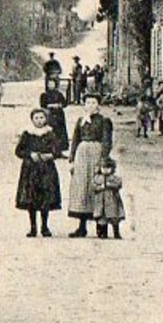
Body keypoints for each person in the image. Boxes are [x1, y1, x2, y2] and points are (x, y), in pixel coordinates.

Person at [67, 94, 114, 237]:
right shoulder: (81, 121)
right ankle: (81, 227)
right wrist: (72, 159)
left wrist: (103, 159)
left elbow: (107, 141)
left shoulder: (104, 121)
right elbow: (75, 140)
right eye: (88, 102)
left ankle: (101, 228)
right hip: (82, 155)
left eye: (94, 102)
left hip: (96, 153)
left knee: (98, 188)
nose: (90, 105)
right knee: (82, 188)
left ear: (98, 105)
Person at [15, 106, 64, 237]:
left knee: (45, 198)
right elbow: (18, 151)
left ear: (46, 119)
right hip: (30, 169)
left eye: (41, 117)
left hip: (46, 170)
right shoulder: (27, 134)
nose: (39, 120)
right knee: (31, 198)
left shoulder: (50, 133)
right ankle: (33, 227)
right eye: (36, 118)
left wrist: (50, 155)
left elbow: (58, 150)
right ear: (32, 120)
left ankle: (44, 226)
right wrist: (30, 154)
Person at [93, 156, 125, 239]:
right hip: (101, 201)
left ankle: (116, 232)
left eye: (108, 168)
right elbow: (93, 187)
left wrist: (110, 185)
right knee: (102, 218)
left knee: (114, 217)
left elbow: (118, 184)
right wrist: (100, 187)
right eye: (104, 168)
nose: (106, 170)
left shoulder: (114, 178)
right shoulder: (97, 178)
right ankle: (103, 232)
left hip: (112, 201)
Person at [39, 76, 70, 151]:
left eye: (52, 83)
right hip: (50, 114)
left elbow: (65, 103)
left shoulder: (59, 94)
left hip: (59, 114)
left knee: (60, 130)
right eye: (49, 84)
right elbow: (42, 105)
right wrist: (50, 105)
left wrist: (59, 105)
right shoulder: (44, 95)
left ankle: (60, 148)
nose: (51, 85)